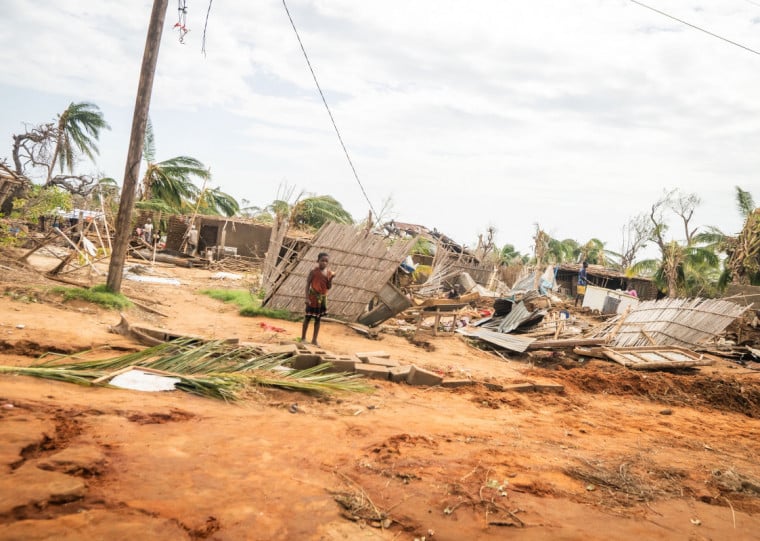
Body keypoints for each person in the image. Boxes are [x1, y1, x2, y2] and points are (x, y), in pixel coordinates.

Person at [301, 252, 335, 347]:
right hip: (313, 297)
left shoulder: (329, 273)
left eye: (326, 261)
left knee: (318, 319)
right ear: (318, 261)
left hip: (322, 299)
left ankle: (314, 340)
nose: (324, 263)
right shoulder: (313, 271)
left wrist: (331, 279)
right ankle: (303, 338)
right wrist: (307, 298)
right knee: (307, 317)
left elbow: (328, 287)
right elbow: (308, 284)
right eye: (322, 260)